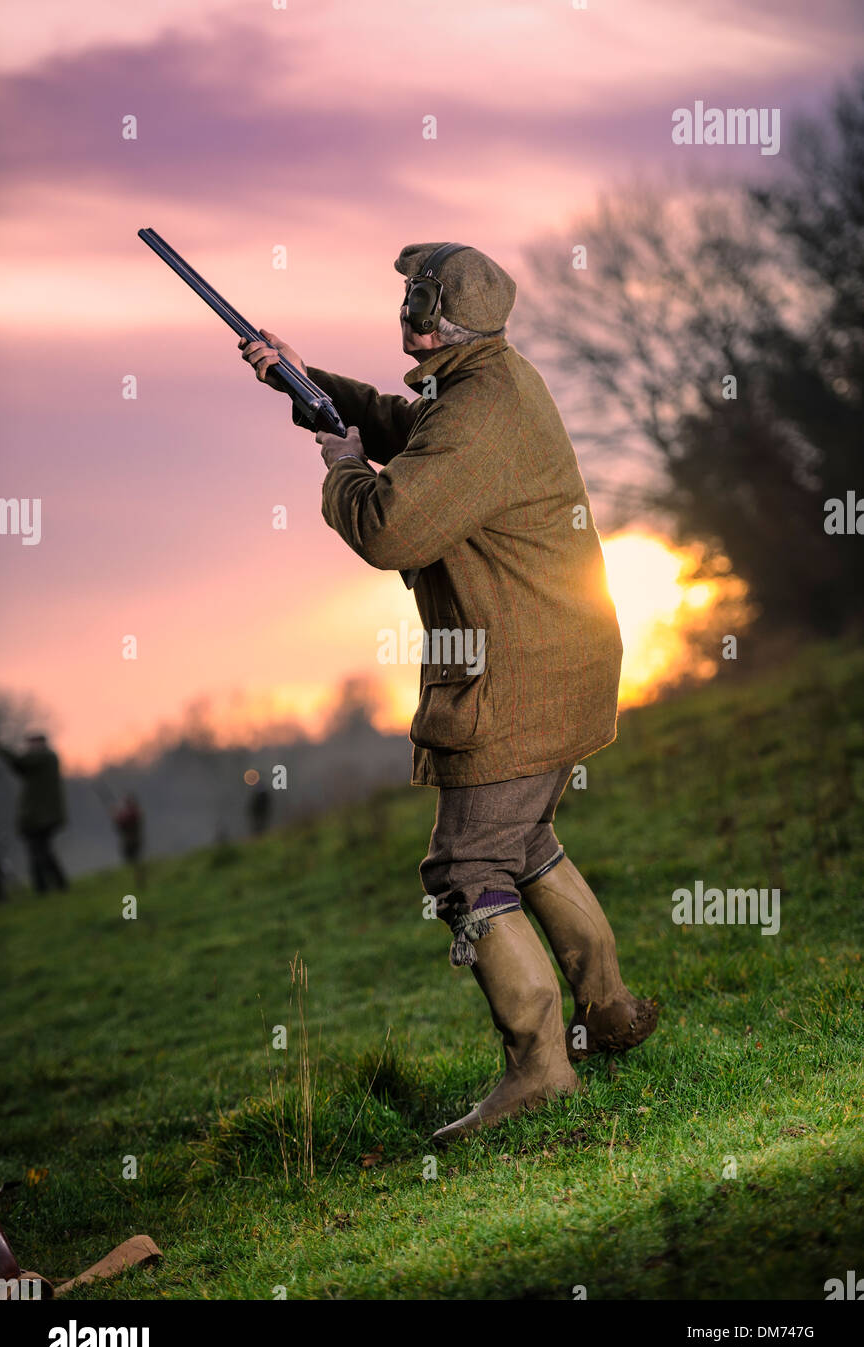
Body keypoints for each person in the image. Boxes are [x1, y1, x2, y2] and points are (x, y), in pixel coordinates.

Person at [239, 242, 657, 1141]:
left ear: (433, 316)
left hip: (517, 674)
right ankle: (609, 1010)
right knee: (525, 838)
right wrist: (304, 383)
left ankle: (541, 1069)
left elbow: (390, 529)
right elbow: (405, 420)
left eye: (414, 304)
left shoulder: (476, 411)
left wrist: (342, 465)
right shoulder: (486, 380)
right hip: (556, 660)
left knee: (465, 869)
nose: (406, 318)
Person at [0, 734, 68, 894]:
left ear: (40, 743)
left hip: (40, 818)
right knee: (41, 851)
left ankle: (46, 887)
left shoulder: (45, 758)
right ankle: (52, 885)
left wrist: (1, 747)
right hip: (40, 817)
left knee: (39, 851)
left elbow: (20, 763)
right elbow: (20, 767)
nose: (29, 748)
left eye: (32, 744)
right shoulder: (44, 761)